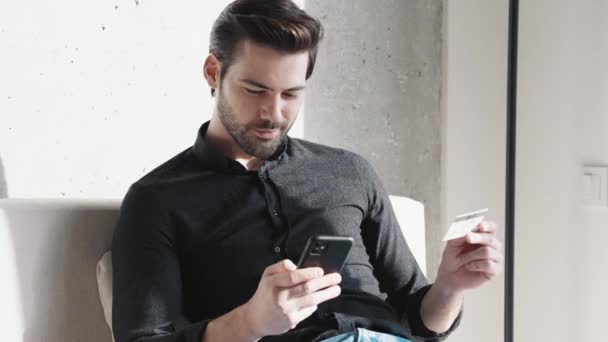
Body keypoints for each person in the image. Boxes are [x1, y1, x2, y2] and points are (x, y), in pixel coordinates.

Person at [111, 1, 503, 341]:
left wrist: (451, 286)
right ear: (213, 72)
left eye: (291, 94)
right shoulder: (159, 199)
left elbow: (419, 319)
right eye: (255, 90)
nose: (274, 113)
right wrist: (250, 322)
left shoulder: (350, 172)